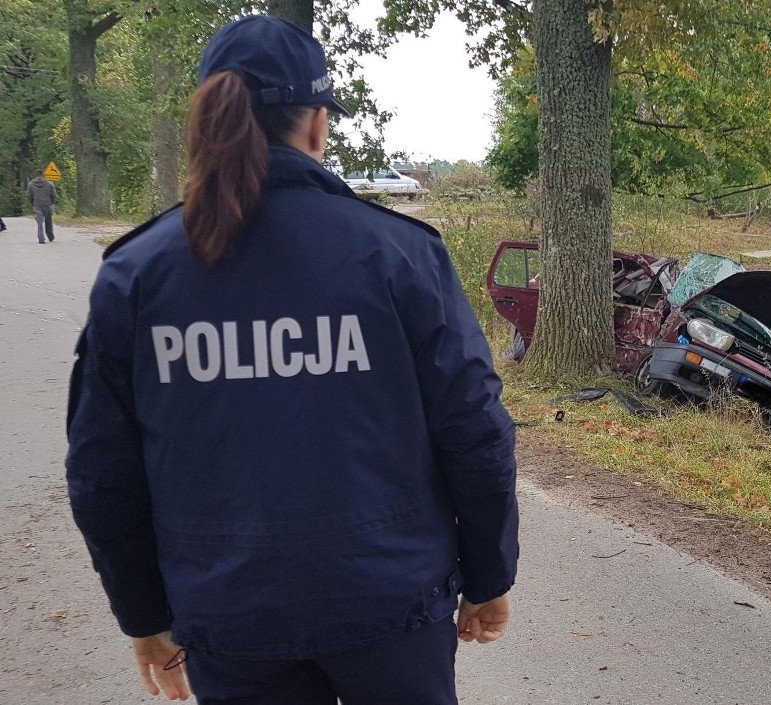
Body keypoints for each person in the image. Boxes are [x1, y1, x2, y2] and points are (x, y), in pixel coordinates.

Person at [66, 14, 519, 705]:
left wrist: (144, 615)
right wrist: (488, 574)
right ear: (316, 126)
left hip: (228, 613)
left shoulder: (136, 276)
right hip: (389, 604)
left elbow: (102, 471)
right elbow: (476, 431)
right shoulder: (400, 256)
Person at [26, 170, 57, 243]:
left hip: (37, 205)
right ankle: (50, 237)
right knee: (48, 222)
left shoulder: (31, 184)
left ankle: (41, 239)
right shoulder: (49, 184)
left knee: (39, 222)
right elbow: (54, 195)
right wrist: (52, 202)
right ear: (43, 175)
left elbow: (29, 195)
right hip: (47, 205)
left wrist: (32, 203)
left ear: (35, 175)